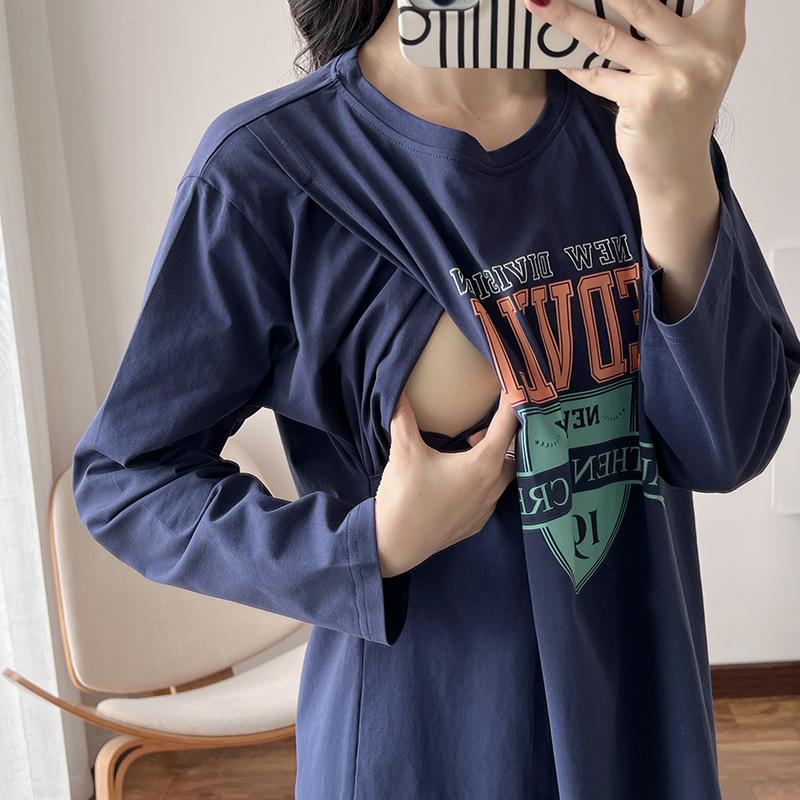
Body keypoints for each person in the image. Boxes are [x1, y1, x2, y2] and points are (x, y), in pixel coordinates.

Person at [72, 1, 800, 798]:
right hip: (420, 746)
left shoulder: (639, 121)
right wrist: (368, 546)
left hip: (639, 722)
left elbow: (729, 446)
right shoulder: (271, 168)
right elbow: (125, 480)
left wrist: (676, 172)